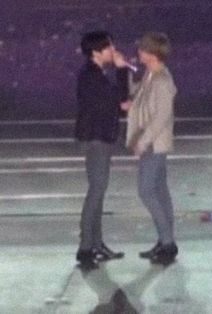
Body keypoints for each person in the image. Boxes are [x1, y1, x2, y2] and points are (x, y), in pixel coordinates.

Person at [75, 31, 129, 269]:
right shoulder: (91, 76)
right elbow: (117, 100)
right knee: (96, 192)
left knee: (98, 192)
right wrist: (122, 70)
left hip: (100, 136)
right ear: (96, 52)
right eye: (108, 47)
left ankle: (95, 244)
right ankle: (86, 247)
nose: (113, 50)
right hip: (97, 138)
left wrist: (119, 103)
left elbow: (115, 104)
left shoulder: (94, 74)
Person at [126, 32, 178, 265]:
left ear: (152, 54)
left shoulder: (162, 81)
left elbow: (161, 117)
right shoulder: (151, 75)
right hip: (154, 143)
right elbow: (138, 95)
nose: (139, 53)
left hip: (155, 144)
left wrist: (143, 141)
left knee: (146, 191)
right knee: (159, 190)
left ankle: (167, 242)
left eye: (143, 50)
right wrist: (126, 70)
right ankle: (165, 240)